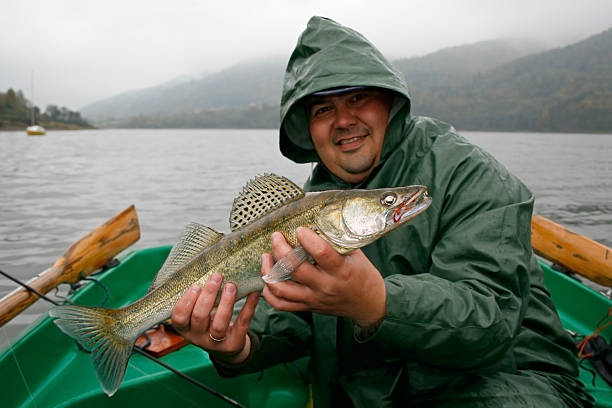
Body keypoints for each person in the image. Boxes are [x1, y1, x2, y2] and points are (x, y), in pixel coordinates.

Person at [171, 16, 593, 407]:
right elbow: (292, 319)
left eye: (358, 97)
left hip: (512, 384)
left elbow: (491, 322)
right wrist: (237, 349)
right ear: (308, 129)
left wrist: (377, 301)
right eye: (322, 109)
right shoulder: (308, 203)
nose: (343, 120)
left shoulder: (472, 176)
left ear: (389, 103)